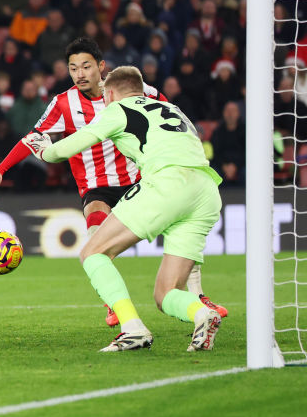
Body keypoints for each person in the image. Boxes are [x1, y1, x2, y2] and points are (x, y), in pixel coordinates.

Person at [0, 37, 227, 326]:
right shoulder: (63, 103)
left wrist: (51, 153)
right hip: (96, 184)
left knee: (175, 227)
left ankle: (197, 296)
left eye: (85, 66)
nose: (80, 74)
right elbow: (33, 136)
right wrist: (1, 170)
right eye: (73, 68)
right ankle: (114, 304)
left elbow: (167, 118)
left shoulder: (138, 90)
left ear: (101, 67)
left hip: (139, 177)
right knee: (97, 232)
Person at [24, 66, 224, 352]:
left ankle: (132, 328)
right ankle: (202, 314)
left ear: (112, 92)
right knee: (166, 293)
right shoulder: (172, 108)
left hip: (168, 181)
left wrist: (44, 149)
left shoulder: (118, 109)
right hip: (205, 190)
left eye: (105, 96)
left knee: (92, 252)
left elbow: (73, 145)